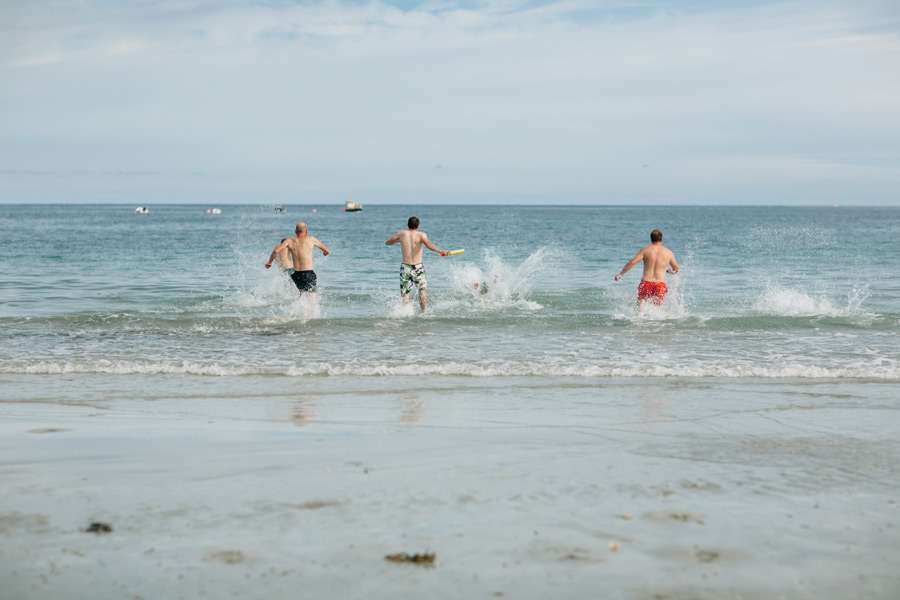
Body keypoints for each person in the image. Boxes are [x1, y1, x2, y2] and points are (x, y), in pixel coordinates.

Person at [385, 216, 445, 313]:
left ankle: (405, 313)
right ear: (418, 226)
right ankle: (423, 313)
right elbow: (428, 244)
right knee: (422, 291)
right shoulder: (421, 235)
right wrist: (440, 251)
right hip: (418, 267)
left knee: (405, 293)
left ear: (408, 225)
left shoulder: (401, 233)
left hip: (405, 267)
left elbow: (388, 242)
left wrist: (400, 240)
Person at [614, 229, 679, 311]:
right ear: (662, 239)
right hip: (660, 284)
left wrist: (620, 274)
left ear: (651, 239)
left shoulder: (645, 250)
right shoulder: (668, 253)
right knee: (657, 307)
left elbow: (632, 263)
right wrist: (670, 271)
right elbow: (676, 269)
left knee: (642, 301)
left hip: (646, 282)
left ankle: (640, 317)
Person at [265, 223, 330, 298]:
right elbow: (326, 250)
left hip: (296, 274)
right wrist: (325, 252)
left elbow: (276, 251)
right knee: (312, 299)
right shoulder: (311, 239)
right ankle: (310, 310)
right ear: (306, 231)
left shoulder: (289, 241)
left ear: (295, 231)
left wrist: (269, 262)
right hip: (308, 273)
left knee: (302, 296)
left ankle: (296, 309)